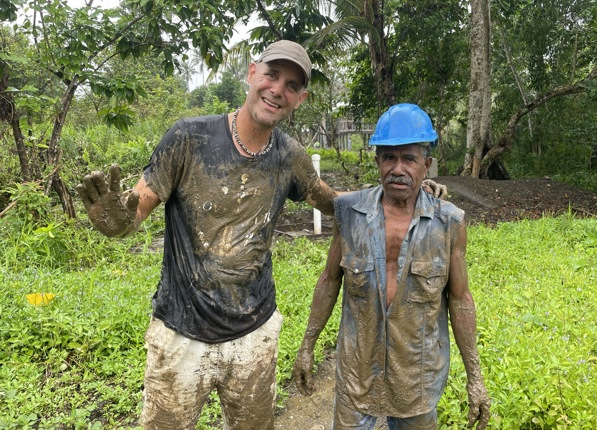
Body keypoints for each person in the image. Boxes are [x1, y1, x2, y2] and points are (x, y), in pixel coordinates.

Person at [76, 40, 449, 429]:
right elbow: (137, 207)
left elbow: (332, 202)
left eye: (291, 85)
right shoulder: (188, 138)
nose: (277, 90)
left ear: (299, 99)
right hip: (181, 334)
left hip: (254, 334)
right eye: (272, 75)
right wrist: (118, 221)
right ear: (252, 73)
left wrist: (408, 193)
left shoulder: (289, 156)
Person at [293, 103, 491, 430]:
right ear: (377, 162)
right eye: (389, 158)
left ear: (426, 165)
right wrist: (306, 346)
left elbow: (460, 299)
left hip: (417, 376)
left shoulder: (449, 223)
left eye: (409, 159)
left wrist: (476, 379)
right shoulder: (348, 213)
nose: (398, 169)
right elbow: (329, 280)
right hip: (357, 372)